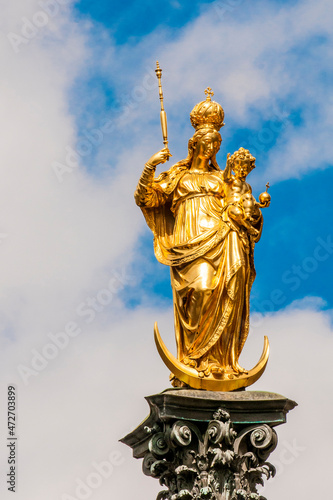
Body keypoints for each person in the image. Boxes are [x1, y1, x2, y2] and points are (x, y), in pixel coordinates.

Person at [135, 92, 264, 382]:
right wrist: (150, 167)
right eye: (205, 144)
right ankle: (194, 359)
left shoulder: (223, 179)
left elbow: (242, 207)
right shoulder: (178, 178)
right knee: (201, 291)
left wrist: (252, 211)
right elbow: (145, 198)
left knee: (227, 289)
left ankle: (219, 363)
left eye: (215, 145)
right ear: (194, 145)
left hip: (224, 239)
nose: (210, 149)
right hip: (189, 243)